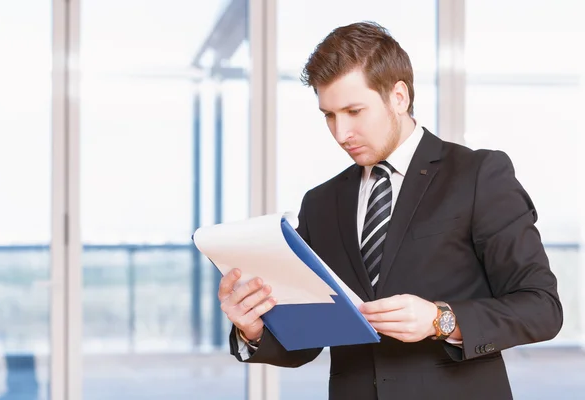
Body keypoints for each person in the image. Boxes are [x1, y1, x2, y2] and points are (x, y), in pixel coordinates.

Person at [217, 21, 563, 400]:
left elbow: (541, 307)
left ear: (398, 96)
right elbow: (307, 339)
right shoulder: (321, 202)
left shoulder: (478, 175)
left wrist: (439, 319)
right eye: (329, 115)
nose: (340, 132)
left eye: (353, 111)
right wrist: (253, 329)